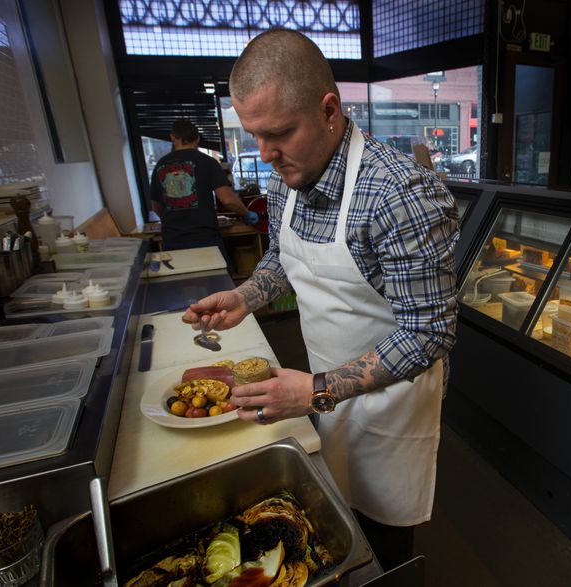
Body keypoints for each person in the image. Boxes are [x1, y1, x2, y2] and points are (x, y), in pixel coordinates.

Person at [183, 30, 459, 570]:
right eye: (254, 136)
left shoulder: (400, 194)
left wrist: (315, 390)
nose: (265, 155)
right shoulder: (291, 173)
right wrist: (246, 297)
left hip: (388, 408)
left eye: (279, 133)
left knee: (379, 544)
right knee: (333, 520)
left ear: (329, 110)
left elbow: (429, 332)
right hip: (318, 389)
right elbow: (286, 257)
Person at [150, 118, 257, 252]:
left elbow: (156, 206)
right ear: (197, 139)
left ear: (173, 137)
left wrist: (173, 220)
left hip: (173, 239)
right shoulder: (208, 162)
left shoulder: (160, 165)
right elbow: (228, 200)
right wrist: (246, 213)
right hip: (205, 238)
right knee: (215, 273)